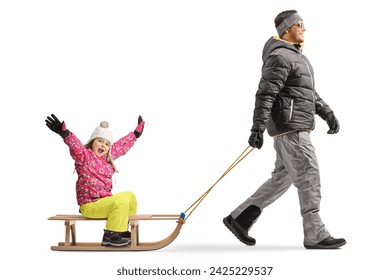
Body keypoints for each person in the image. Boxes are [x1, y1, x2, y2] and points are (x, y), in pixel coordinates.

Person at [223, 10, 346, 249]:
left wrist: (326, 112)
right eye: (299, 25)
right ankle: (316, 234)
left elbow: (307, 92)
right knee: (309, 174)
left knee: (282, 178)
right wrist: (257, 128)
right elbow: (266, 93)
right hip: (292, 130)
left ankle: (239, 218)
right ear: (287, 29)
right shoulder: (281, 56)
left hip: (292, 129)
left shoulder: (296, 57)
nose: (304, 28)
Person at [46, 114, 145, 247]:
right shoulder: (84, 156)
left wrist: (135, 134)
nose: (103, 145)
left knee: (130, 196)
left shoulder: (107, 158)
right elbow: (75, 146)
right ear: (92, 142)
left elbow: (122, 145)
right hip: (90, 205)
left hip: (103, 202)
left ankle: (121, 231)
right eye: (99, 141)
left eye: (107, 143)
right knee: (120, 202)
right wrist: (65, 134)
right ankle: (111, 235)